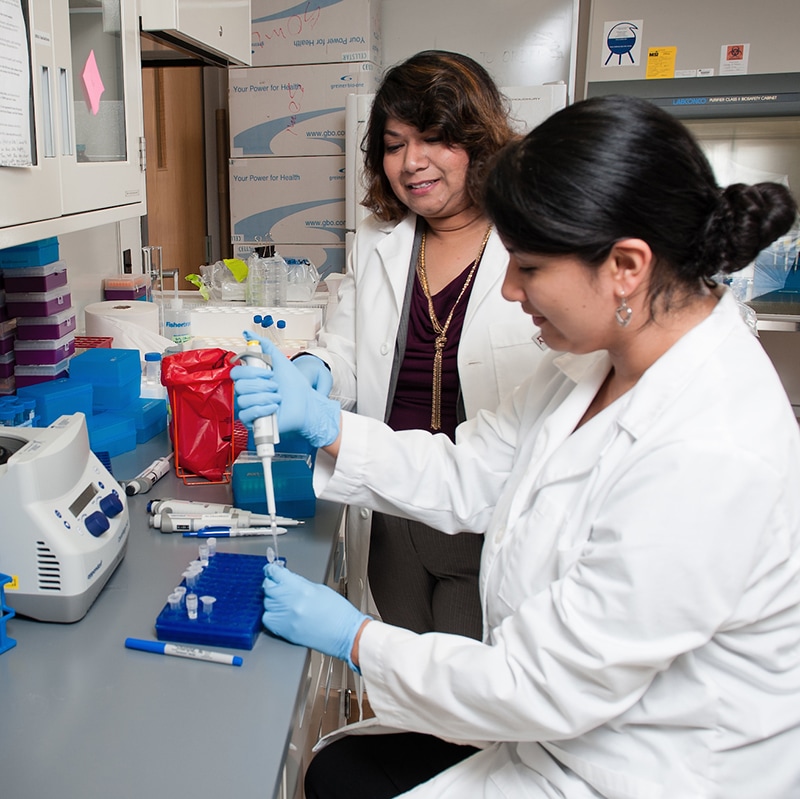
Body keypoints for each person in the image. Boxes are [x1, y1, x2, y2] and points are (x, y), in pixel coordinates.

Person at [231, 95, 800, 798]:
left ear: (626, 265)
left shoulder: (713, 447)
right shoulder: (593, 365)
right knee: (339, 770)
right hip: (557, 737)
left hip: (642, 771)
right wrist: (329, 425)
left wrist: (356, 639)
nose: (506, 288)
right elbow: (471, 470)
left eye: (527, 266)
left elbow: (542, 684)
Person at [291, 50, 545, 638]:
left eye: (434, 138)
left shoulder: (532, 238)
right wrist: (315, 370)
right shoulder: (379, 238)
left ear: (478, 141)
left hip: (489, 511)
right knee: (402, 686)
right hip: (389, 499)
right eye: (394, 143)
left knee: (468, 704)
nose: (411, 162)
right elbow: (347, 349)